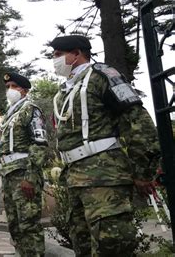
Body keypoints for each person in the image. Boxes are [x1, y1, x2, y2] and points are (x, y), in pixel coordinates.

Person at [49, 35, 160, 256]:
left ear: (77, 53)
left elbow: (137, 122)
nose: (55, 60)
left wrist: (143, 172)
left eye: (59, 55)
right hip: (76, 179)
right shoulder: (66, 89)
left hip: (105, 177)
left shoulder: (102, 76)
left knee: (112, 245)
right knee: (83, 246)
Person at [0, 72, 47, 256]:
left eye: (14, 86)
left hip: (24, 173)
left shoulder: (30, 109)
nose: (9, 90)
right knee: (15, 227)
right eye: (8, 87)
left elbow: (39, 144)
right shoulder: (10, 114)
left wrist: (31, 177)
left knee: (29, 226)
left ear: (24, 90)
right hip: (9, 174)